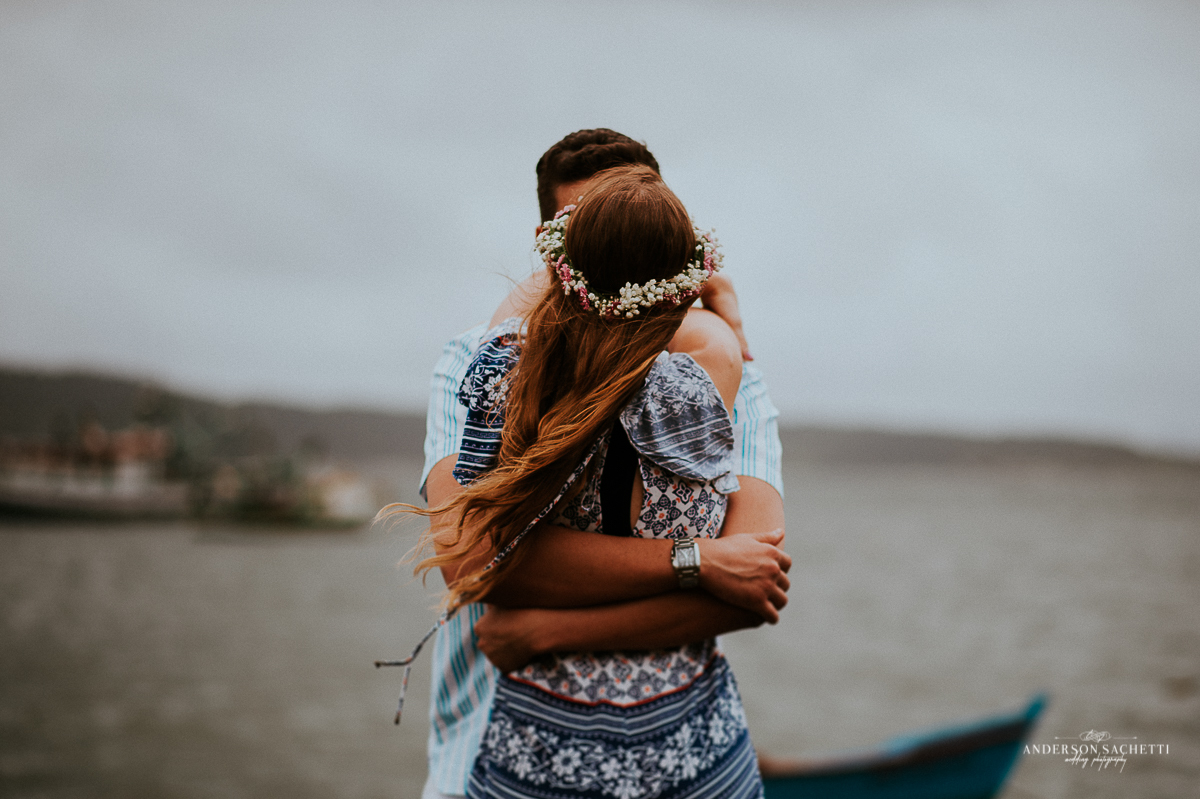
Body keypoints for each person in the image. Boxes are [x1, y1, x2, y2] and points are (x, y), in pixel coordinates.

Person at [416, 130, 787, 799]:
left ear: (556, 265)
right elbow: (470, 562)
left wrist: (546, 626)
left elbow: (755, 581)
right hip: (643, 747)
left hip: (537, 753)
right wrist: (697, 560)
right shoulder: (724, 369)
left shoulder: (497, 367)